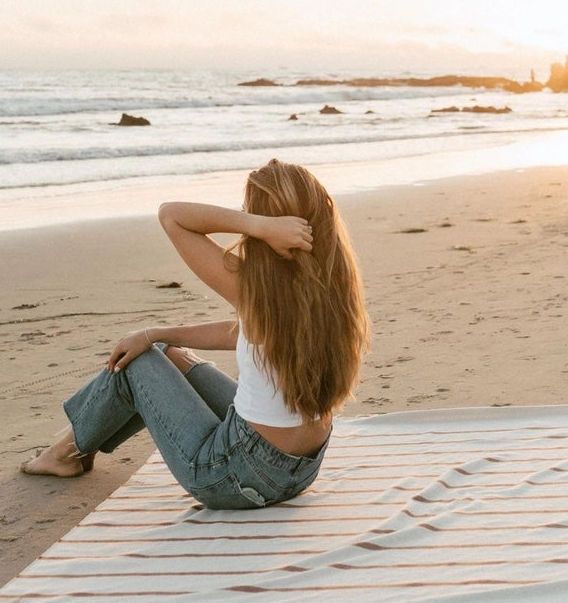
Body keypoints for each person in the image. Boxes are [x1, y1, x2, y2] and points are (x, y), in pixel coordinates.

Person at [21, 160, 370, 509]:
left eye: (251, 211)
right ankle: (75, 449)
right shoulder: (331, 280)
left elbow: (171, 215)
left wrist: (259, 226)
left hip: (236, 476)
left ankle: (63, 454)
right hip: (301, 471)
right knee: (164, 350)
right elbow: (251, 334)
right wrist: (157, 332)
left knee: (138, 363)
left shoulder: (253, 287)